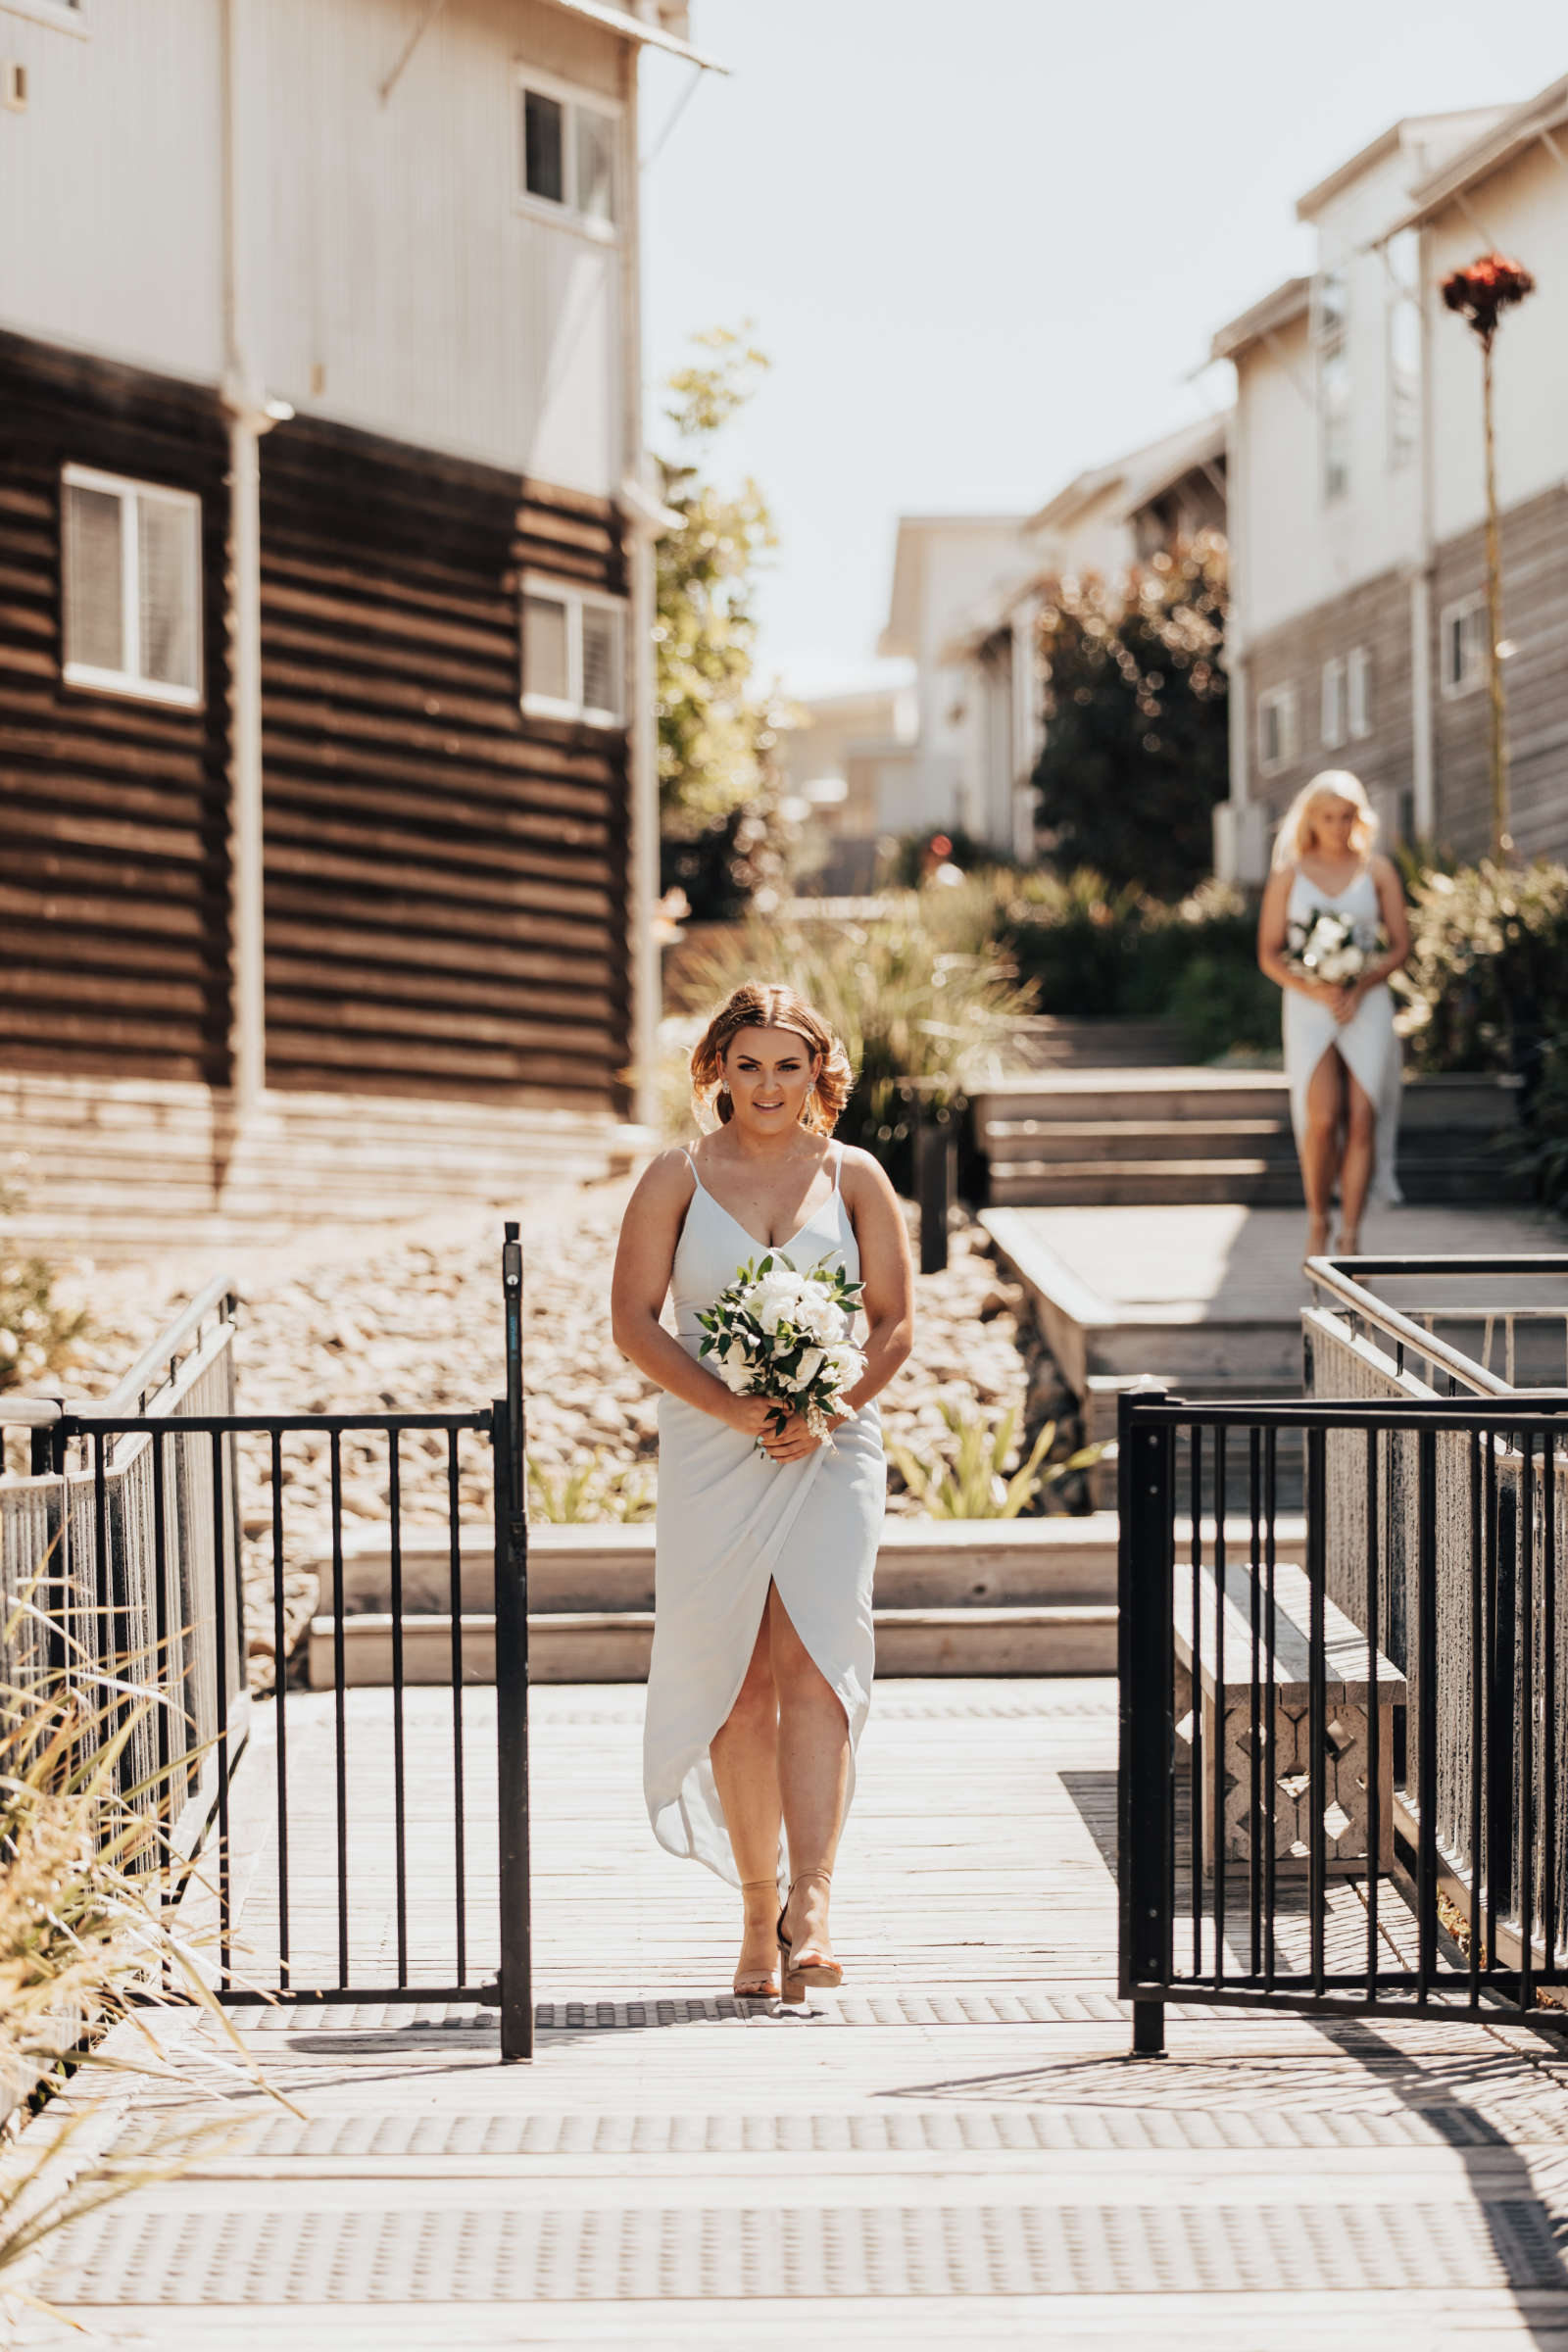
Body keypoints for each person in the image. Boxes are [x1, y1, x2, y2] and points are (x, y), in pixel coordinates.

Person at [610, 982, 914, 2001]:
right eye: (747, 1066)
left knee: (819, 1666)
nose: (768, 1086)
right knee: (737, 1678)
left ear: (819, 1073)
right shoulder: (673, 1178)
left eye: (788, 1066)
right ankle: (754, 1912)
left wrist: (828, 1409)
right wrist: (733, 1408)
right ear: (717, 1073)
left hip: (833, 1451)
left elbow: (891, 1326)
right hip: (712, 1450)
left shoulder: (855, 1176)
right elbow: (636, 1323)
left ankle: (815, 1906)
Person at [1256, 770, 1411, 1259]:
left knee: (1363, 1116)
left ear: (1358, 818)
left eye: (1346, 816)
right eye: (1327, 816)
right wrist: (1316, 988)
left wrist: (1359, 983)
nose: (1337, 825)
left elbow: (1401, 947)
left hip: (1366, 1004)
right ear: (1311, 819)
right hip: (1309, 1007)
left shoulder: (1378, 870)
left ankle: (1351, 1234)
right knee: (1322, 1119)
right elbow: (1268, 953)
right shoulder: (1289, 875)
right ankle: (1319, 1219)